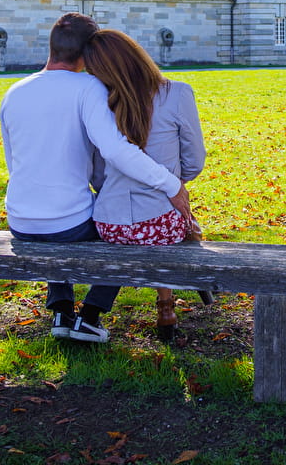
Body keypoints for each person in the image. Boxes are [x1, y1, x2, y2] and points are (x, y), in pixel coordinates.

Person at [0, 13, 187, 344]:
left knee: (57, 221)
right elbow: (115, 151)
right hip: (67, 224)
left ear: (53, 46)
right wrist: (171, 185)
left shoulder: (14, 92)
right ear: (89, 53)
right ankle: (90, 316)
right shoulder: (88, 87)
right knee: (122, 229)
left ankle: (61, 310)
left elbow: (13, 163)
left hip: (19, 219)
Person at [82, 29, 204, 341]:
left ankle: (93, 310)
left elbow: (97, 175)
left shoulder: (103, 106)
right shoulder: (176, 93)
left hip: (110, 224)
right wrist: (172, 183)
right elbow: (194, 161)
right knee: (174, 217)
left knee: (146, 229)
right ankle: (166, 305)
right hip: (160, 224)